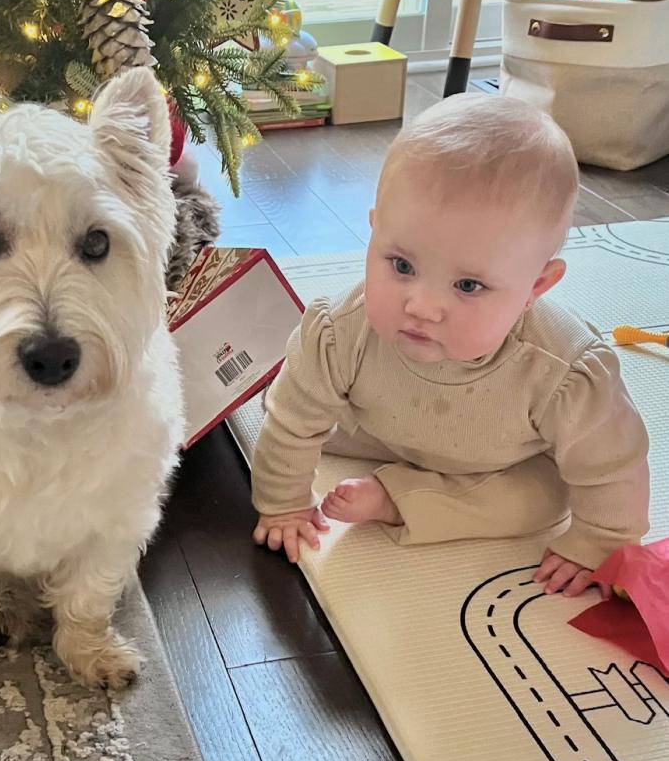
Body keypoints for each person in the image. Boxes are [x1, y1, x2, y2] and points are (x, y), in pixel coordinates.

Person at [250, 94, 650, 598]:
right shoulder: (340, 330)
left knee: (546, 500)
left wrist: (604, 538)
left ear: (536, 288)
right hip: (377, 429)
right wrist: (283, 502)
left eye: (467, 286)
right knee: (291, 409)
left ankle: (396, 500)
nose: (421, 306)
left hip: (502, 461)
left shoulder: (565, 370)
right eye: (401, 265)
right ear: (373, 231)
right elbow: (293, 419)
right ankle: (391, 476)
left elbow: (613, 464)